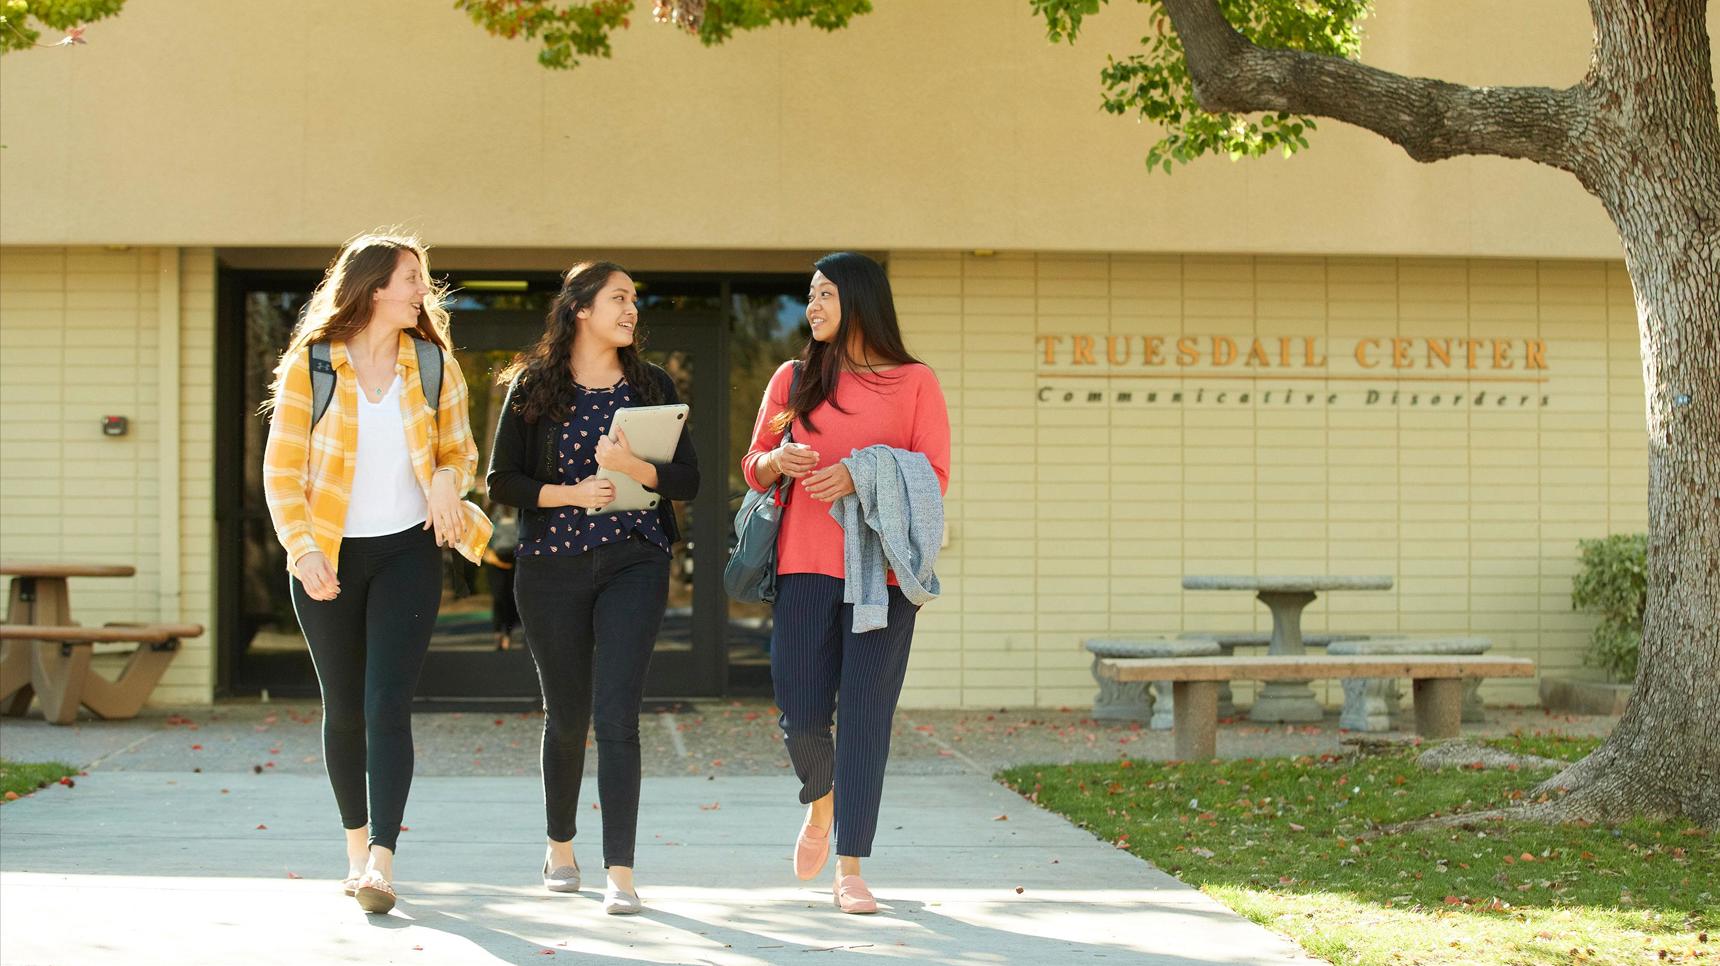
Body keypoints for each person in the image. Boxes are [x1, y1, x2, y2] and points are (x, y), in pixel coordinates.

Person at [262, 232, 492, 914]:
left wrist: (450, 481)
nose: (423, 289)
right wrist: (303, 551)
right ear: (372, 287)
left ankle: (382, 864)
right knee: (345, 707)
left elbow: (461, 451)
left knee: (387, 705)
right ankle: (355, 850)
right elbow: (281, 471)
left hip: (407, 553)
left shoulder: (433, 365)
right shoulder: (314, 365)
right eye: (410, 277)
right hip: (328, 551)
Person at [486, 261, 699, 915]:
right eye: (619, 298)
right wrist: (571, 492)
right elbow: (504, 481)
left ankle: (622, 873)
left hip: (635, 558)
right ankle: (560, 846)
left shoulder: (652, 384)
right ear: (581, 309)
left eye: (635, 300)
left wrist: (630, 465)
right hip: (550, 566)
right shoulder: (534, 386)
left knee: (617, 715)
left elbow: (685, 480)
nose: (633, 310)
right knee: (568, 715)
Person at [742, 252, 950, 914]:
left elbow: (934, 477)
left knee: (864, 719)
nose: (813, 307)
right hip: (804, 568)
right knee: (800, 711)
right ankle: (822, 804)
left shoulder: (915, 382)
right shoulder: (793, 377)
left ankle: (851, 867)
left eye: (826, 294)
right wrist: (777, 459)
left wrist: (862, 474)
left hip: (883, 577)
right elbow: (752, 468)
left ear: (859, 299)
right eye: (810, 295)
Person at [483, 504, 521, 650]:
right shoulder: (490, 510)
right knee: (498, 595)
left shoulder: (516, 508)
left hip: (514, 557)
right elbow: (483, 533)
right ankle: (498, 632)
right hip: (494, 558)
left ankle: (508, 633)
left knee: (511, 597)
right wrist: (487, 554)